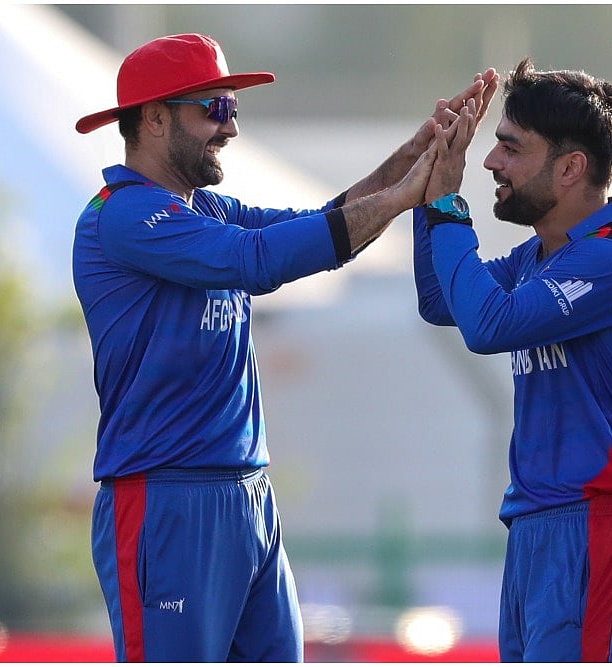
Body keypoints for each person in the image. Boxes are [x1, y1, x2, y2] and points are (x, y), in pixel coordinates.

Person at [71, 32, 493, 662]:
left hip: (247, 494)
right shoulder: (123, 217)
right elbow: (260, 259)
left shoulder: (206, 209)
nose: (230, 127)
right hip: (164, 499)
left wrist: (412, 159)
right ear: (155, 118)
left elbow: (320, 223)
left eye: (233, 109)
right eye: (214, 108)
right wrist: (404, 197)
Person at [413, 58, 612, 662]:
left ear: (571, 168)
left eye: (511, 148)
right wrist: (429, 190)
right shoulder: (536, 257)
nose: (491, 163)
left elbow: (488, 325)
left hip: (597, 521)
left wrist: (448, 205)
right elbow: (439, 301)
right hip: (536, 524)